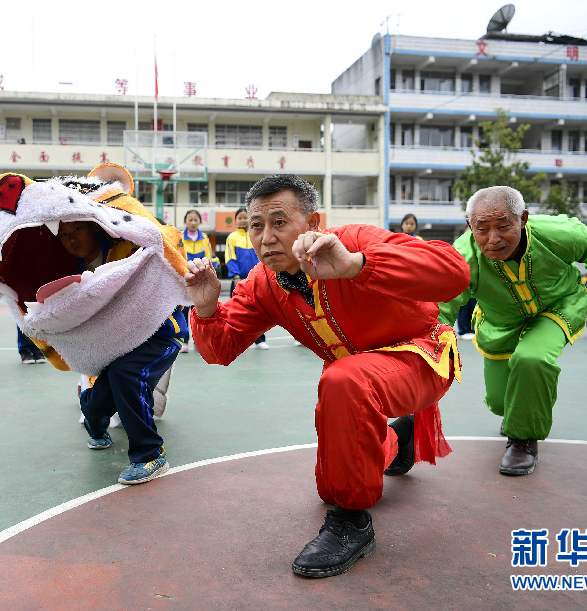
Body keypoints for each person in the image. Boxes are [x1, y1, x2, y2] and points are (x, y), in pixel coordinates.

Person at [185, 174, 470, 578]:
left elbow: (454, 271)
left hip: (421, 356)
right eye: (256, 225)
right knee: (330, 484)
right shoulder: (264, 284)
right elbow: (220, 350)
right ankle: (397, 438)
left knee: (343, 382)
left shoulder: (354, 240)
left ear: (314, 222)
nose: (266, 237)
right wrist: (208, 308)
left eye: (279, 222)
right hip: (355, 380)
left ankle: (354, 524)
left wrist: (356, 266)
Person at [438, 186, 587, 477]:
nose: (493, 239)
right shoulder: (463, 257)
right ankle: (516, 416)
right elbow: (442, 300)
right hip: (500, 320)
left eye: (504, 226)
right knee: (499, 401)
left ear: (523, 218)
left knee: (532, 359)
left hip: (556, 306)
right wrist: (431, 339)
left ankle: (523, 441)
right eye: (482, 229)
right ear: (470, 226)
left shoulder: (558, 233)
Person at [58, 219, 187, 485]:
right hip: (115, 344)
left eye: (77, 229)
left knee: (126, 373)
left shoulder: (127, 247)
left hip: (160, 334)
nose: (72, 239)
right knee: (97, 404)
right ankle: (92, 415)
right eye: (64, 234)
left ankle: (149, 455)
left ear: (93, 227)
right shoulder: (66, 269)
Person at [224, 207, 268, 350]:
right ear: (235, 221)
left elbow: (262, 256)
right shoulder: (232, 237)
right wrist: (236, 276)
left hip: (257, 279)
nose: (243, 220)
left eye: (245, 217)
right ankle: (237, 340)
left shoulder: (256, 235)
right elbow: (230, 258)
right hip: (239, 280)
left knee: (259, 310)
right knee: (237, 311)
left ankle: (260, 340)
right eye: (240, 218)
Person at [180, 209, 218, 353]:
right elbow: (179, 257)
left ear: (200, 222)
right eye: (190, 220)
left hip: (200, 281)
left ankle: (199, 341)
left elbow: (208, 258)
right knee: (184, 313)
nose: (193, 222)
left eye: (196, 220)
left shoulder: (205, 238)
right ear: (185, 222)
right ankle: (184, 342)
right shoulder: (180, 238)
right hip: (185, 281)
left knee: (198, 313)